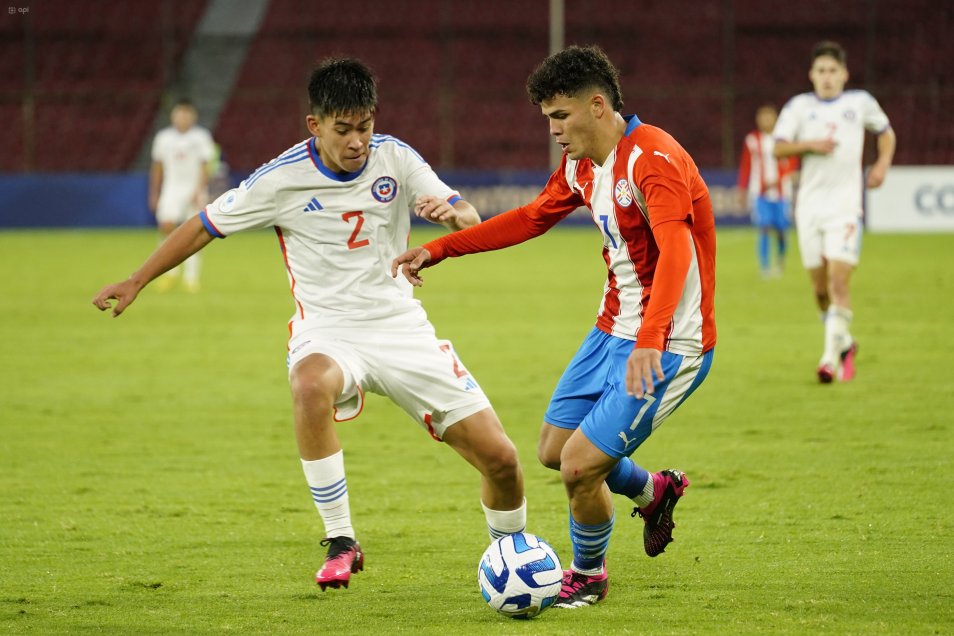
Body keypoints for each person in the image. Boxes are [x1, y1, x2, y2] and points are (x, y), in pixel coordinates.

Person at [94, 58, 526, 591]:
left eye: (364, 127)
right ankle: (341, 540)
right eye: (342, 130)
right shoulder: (280, 180)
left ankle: (514, 561)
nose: (356, 142)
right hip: (328, 330)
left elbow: (470, 218)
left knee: (502, 461)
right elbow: (204, 224)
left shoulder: (396, 159)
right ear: (314, 125)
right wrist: (137, 279)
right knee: (308, 382)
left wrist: (452, 217)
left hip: (400, 329)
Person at [392, 45, 716, 609]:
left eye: (559, 117)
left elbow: (677, 255)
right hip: (612, 329)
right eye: (548, 119)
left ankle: (588, 576)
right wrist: (441, 249)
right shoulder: (581, 165)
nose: (554, 131)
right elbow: (530, 218)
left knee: (577, 469)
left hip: (669, 343)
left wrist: (649, 341)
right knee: (553, 448)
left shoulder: (653, 159)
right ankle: (652, 489)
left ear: (597, 106)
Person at [773, 40, 896, 383]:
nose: (827, 77)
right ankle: (845, 342)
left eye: (833, 71)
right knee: (820, 290)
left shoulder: (860, 103)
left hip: (845, 208)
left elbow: (886, 134)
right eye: (821, 71)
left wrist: (882, 164)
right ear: (812, 75)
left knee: (839, 280)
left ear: (844, 74)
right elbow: (779, 148)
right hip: (809, 208)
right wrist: (810, 145)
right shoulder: (798, 107)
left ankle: (828, 359)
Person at [149, 98, 216, 292]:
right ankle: (170, 273)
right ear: (173, 116)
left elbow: (206, 165)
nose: (183, 118)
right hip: (171, 188)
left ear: (192, 116)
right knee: (166, 226)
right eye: (179, 114)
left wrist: (199, 190)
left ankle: (191, 277)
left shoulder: (201, 137)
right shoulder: (163, 138)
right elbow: (157, 167)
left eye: (186, 114)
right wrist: (154, 192)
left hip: (193, 188)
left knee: (195, 233)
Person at [737, 104, 795, 278]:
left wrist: (779, 178)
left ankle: (780, 262)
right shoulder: (752, 140)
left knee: (781, 230)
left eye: (769, 117)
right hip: (759, 194)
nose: (765, 120)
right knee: (763, 227)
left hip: (782, 193)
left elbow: (792, 162)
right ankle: (765, 267)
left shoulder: (784, 140)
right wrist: (742, 189)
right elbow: (746, 166)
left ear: (775, 119)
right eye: (762, 117)